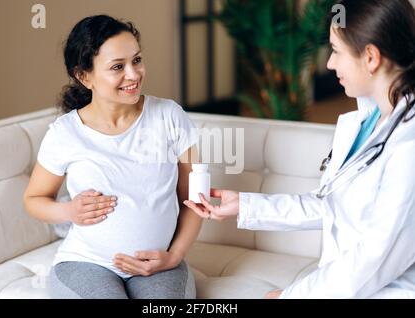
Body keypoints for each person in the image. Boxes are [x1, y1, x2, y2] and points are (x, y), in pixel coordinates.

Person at [184, 0, 415, 299]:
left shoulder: (408, 146)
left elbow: (375, 257)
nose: (330, 64)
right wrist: (246, 205)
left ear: (370, 57)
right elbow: (331, 204)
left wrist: (293, 296)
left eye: (336, 50)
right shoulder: (367, 122)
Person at [23, 15, 202, 299]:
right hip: (86, 264)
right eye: (117, 66)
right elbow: (34, 200)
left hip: (159, 264)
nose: (133, 74)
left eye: (137, 60)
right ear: (84, 76)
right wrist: (68, 211)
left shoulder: (170, 116)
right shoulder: (65, 133)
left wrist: (174, 255)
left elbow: (194, 199)